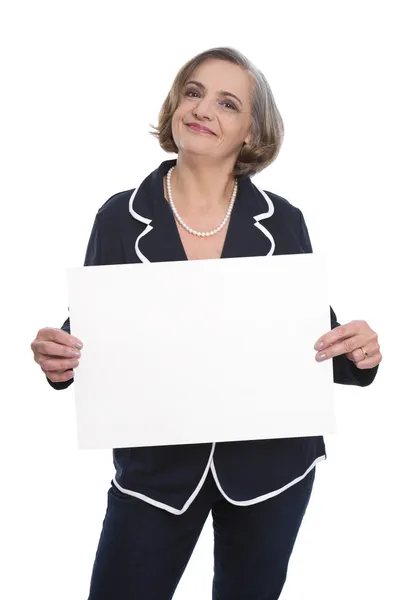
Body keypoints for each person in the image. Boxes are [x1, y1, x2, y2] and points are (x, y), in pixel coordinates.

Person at [30, 47, 382, 600]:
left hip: (271, 470)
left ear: (250, 131)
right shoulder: (120, 216)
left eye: (227, 102)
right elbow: (94, 337)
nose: (203, 109)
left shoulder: (283, 220)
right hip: (156, 472)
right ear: (175, 105)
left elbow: (316, 342)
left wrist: (361, 352)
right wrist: (57, 360)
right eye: (193, 92)